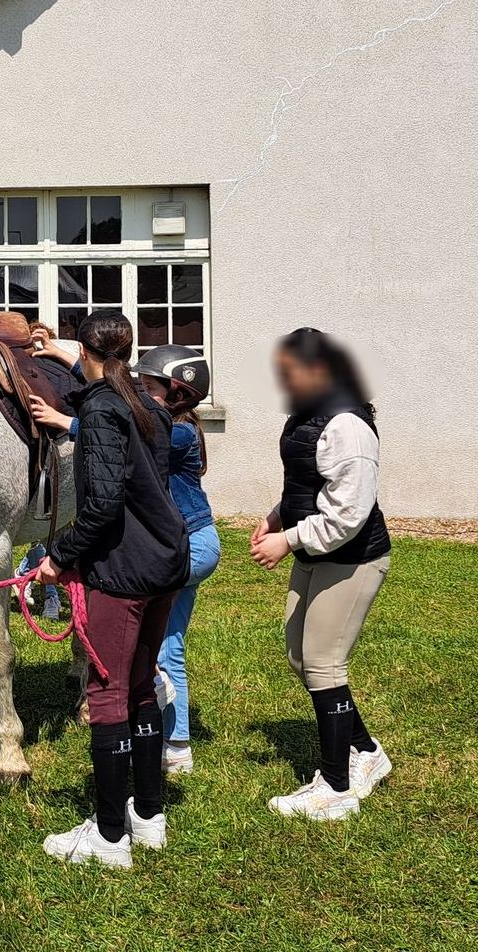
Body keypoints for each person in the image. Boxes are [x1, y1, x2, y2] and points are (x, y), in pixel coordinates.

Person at [37, 310, 189, 869]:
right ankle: (147, 816)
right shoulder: (146, 402)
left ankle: (108, 836)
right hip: (165, 561)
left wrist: (58, 557)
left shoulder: (104, 408)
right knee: (141, 688)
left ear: (85, 348)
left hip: (127, 573)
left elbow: (100, 506)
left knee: (106, 695)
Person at [252, 327, 392, 821]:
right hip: (317, 554)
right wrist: (277, 515)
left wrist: (286, 539)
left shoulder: (348, 426)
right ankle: (367, 752)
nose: (283, 384)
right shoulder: (306, 416)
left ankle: (336, 788)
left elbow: (348, 513)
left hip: (352, 557)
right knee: (299, 655)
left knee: (324, 663)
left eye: (290, 374)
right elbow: (310, 484)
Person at [132, 345, 218, 774]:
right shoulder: (178, 426)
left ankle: (149, 696)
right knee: (170, 644)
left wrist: (64, 422)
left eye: (149, 388)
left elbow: (122, 434)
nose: (140, 394)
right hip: (196, 544)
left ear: (179, 393)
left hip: (188, 548)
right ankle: (178, 744)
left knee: (141, 638)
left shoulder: (177, 432)